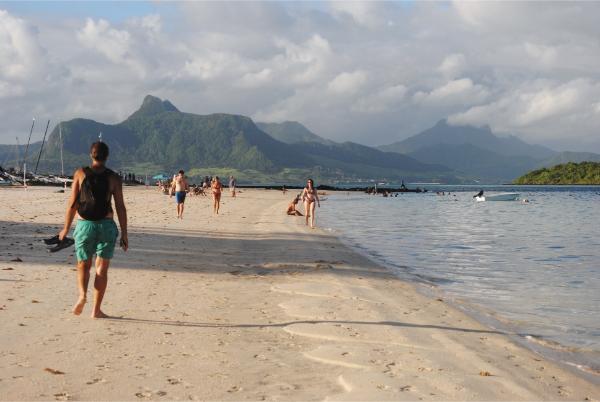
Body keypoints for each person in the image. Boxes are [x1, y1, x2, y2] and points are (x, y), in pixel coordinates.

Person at [58, 142, 128, 319]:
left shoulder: (80, 173)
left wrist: (65, 228)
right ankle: (96, 310)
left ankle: (82, 295)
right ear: (107, 156)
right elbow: (120, 207)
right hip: (106, 225)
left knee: (83, 263)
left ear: (91, 155)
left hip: (84, 225)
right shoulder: (113, 178)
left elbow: (72, 204)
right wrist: (125, 233)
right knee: (101, 270)